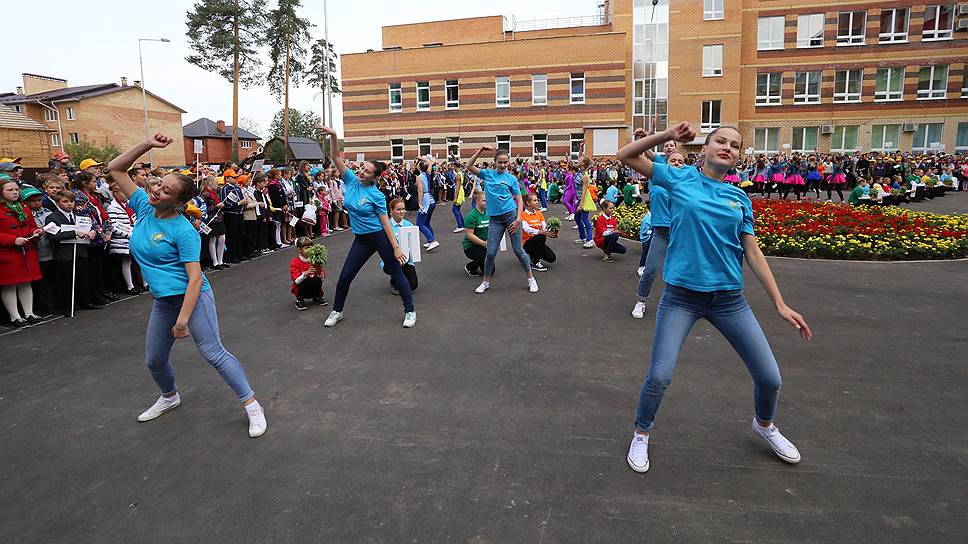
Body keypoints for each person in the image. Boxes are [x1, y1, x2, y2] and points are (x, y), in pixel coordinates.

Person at [617, 122, 812, 474]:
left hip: (728, 301)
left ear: (737, 157)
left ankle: (764, 425)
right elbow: (625, 155)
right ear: (704, 148)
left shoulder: (739, 198)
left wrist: (780, 303)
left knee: (770, 378)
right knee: (660, 376)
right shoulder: (678, 179)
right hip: (681, 298)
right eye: (720, 141)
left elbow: (752, 252)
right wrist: (668, 136)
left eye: (734, 145)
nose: (727, 147)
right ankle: (641, 432)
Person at [107, 134, 267, 438]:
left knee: (212, 352)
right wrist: (148, 145)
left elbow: (195, 278)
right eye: (158, 184)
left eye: (166, 190)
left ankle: (252, 405)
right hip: (163, 300)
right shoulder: (143, 205)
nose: (156, 190)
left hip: (192, 298)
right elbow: (115, 169)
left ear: (179, 202)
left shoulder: (183, 231)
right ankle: (170, 396)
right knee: (154, 359)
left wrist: (182, 322)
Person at [317, 126, 416, 328]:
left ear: (374, 177)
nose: (362, 172)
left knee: (398, 273)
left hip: (378, 236)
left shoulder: (377, 196)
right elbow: (336, 158)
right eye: (362, 168)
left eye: (367, 171)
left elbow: (385, 222)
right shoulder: (351, 180)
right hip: (361, 239)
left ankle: (410, 311)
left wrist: (396, 247)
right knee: (345, 276)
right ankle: (337, 311)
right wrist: (335, 136)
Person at [466, 146, 538, 294]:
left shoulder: (511, 179)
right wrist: (480, 150)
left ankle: (531, 279)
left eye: (506, 162)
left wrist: (518, 219)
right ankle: (485, 282)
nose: (503, 165)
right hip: (495, 219)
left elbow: (519, 200)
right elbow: (469, 166)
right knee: (491, 252)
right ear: (495, 162)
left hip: (511, 216)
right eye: (500, 162)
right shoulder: (488, 174)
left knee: (518, 250)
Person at [46, 189, 99, 314]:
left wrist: (93, 232)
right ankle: (68, 305)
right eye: (65, 201)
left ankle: (85, 302)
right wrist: (73, 233)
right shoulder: (52, 218)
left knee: (83, 278)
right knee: (66, 281)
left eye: (71, 201)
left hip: (81, 251)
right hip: (64, 254)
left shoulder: (79, 216)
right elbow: (53, 235)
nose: (69, 204)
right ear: (58, 203)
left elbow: (91, 227)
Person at [0, 179, 44, 326]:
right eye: (9, 190)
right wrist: (13, 240)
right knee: (10, 285)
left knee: (26, 283)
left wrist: (35, 231)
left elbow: (31, 225)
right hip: (8, 252)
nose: (14, 192)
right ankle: (15, 316)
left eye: (16, 190)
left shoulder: (23, 208)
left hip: (26, 250)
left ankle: (29, 313)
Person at [106, 182, 140, 295]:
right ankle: (130, 286)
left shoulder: (129, 205)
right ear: (116, 193)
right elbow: (114, 227)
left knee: (138, 261)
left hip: (134, 236)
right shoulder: (112, 207)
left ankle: (145, 283)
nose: (127, 195)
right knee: (127, 261)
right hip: (123, 240)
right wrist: (130, 235)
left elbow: (135, 219)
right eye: (124, 192)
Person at [383, 198, 419, 295]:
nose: (402, 211)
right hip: (391, 260)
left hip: (407, 260)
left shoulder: (409, 225)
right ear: (391, 210)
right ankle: (394, 281)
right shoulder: (386, 226)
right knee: (400, 282)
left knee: (413, 285)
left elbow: (413, 245)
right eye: (398, 209)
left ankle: (400, 278)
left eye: (403, 209)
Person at [520, 193, 557, 272]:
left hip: (538, 241)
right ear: (528, 203)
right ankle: (535, 263)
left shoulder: (539, 213)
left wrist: (551, 231)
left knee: (552, 258)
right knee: (541, 236)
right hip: (526, 243)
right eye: (535, 200)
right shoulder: (522, 215)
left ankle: (533, 255)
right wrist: (542, 232)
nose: (537, 202)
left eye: (537, 200)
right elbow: (526, 229)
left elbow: (544, 226)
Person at [290, 236, 327, 310]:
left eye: (311, 248)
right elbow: (296, 280)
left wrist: (319, 269)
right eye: (306, 248)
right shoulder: (295, 262)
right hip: (302, 286)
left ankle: (316, 297)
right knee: (304, 281)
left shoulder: (314, 260)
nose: (309, 250)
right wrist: (305, 274)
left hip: (312, 284)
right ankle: (299, 300)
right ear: (299, 250)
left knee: (317, 280)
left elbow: (322, 279)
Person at [462, 190, 489, 277]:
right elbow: (469, 235)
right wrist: (484, 243)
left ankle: (482, 261)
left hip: (484, 245)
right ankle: (470, 267)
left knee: (490, 272)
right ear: (477, 201)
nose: (487, 203)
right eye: (484, 201)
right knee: (482, 258)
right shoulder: (471, 216)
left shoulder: (489, 213)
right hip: (471, 246)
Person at [414, 157, 439, 251]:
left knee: (419, 223)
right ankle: (430, 240)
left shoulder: (419, 177)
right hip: (431, 199)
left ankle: (432, 240)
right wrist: (420, 157)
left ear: (419, 167)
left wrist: (420, 204)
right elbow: (429, 162)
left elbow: (420, 191)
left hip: (425, 200)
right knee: (426, 222)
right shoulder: (428, 173)